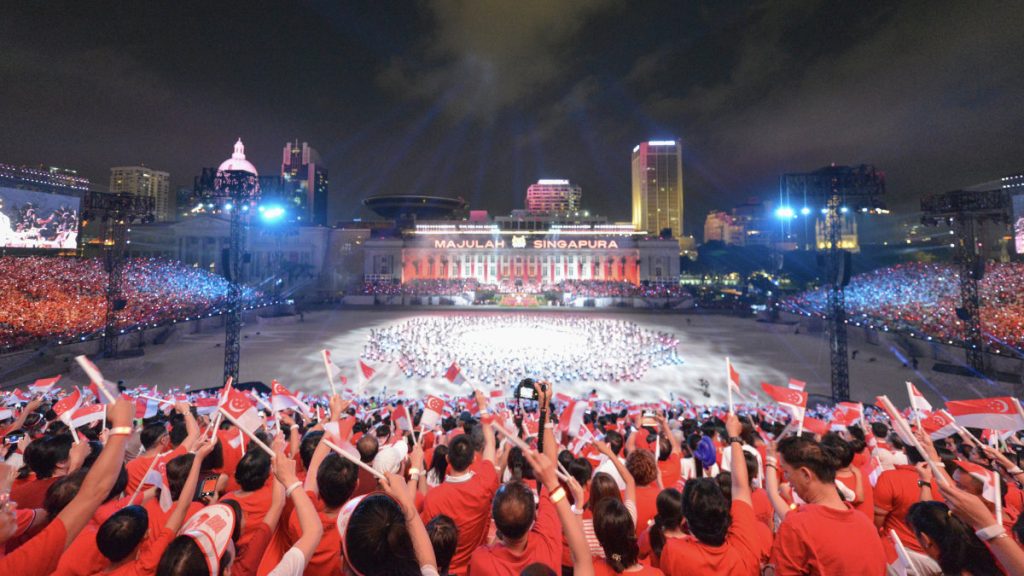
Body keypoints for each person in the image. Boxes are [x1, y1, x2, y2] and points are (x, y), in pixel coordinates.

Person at [0, 398, 134, 575]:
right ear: (61, 462)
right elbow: (91, 494)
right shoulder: (13, 568)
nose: (13, 505)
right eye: (1, 505)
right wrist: (122, 427)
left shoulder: (23, 492)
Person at [659, 413, 762, 575]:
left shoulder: (675, 552)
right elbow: (741, 488)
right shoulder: (744, 548)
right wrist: (734, 437)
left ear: (686, 520)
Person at [769, 434, 886, 575]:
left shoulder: (797, 527)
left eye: (787, 472)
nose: (787, 479)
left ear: (806, 474)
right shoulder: (866, 525)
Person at [420, 390, 496, 576]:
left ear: (447, 458)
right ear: (472, 460)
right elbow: (491, 444)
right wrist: (482, 407)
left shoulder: (434, 497)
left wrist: (417, 471)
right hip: (474, 567)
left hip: (445, 569)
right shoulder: (485, 483)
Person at [592, 497, 664, 575]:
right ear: (631, 531)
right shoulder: (656, 574)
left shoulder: (592, 569)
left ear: (599, 537)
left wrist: (578, 509)